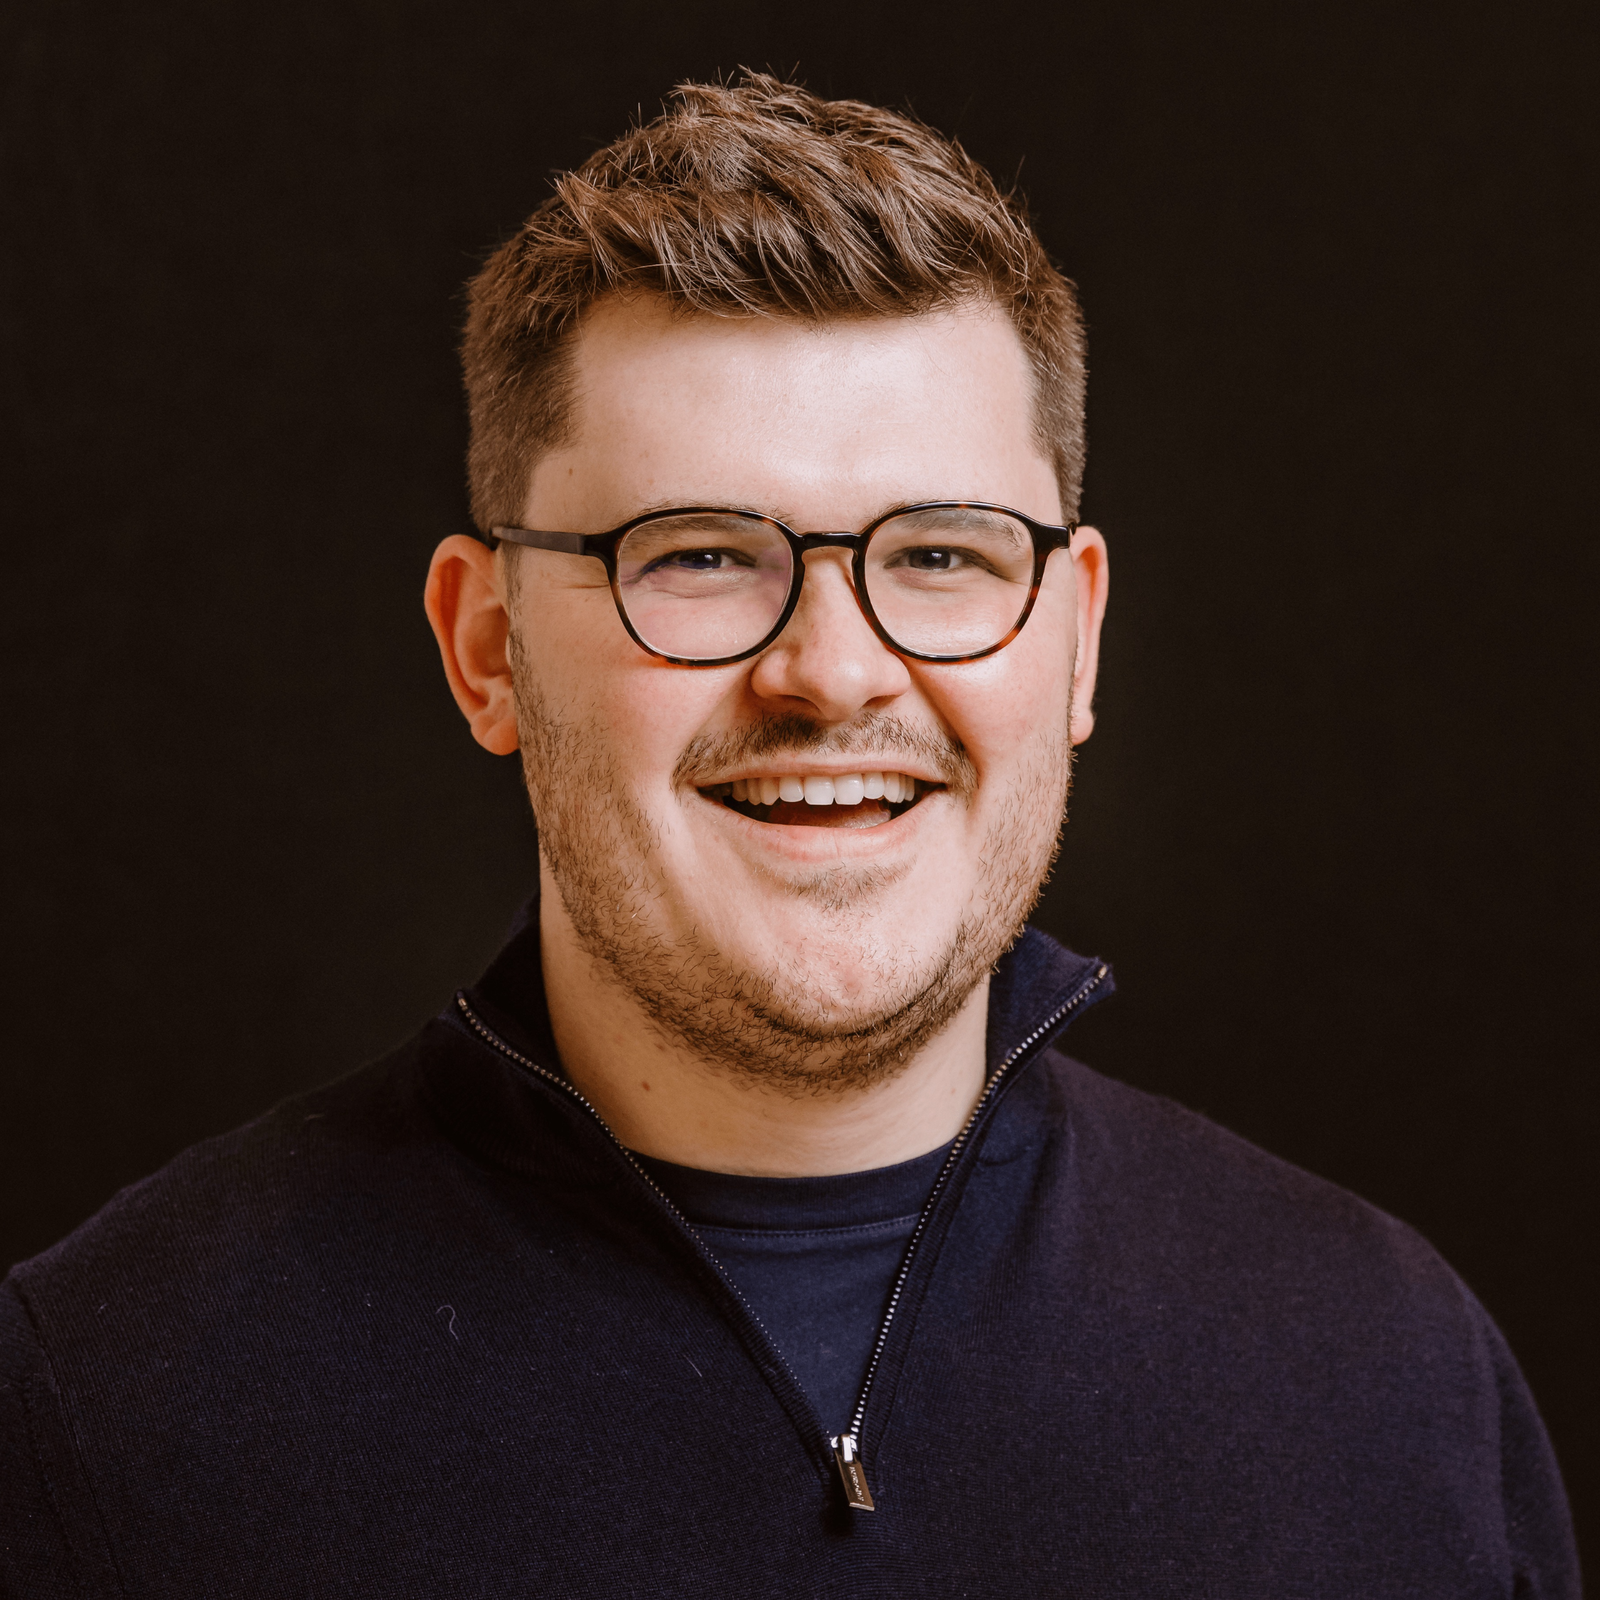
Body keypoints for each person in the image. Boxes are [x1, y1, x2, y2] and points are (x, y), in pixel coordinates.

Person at [0, 74, 1577, 1598]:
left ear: (1079, 639)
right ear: (486, 648)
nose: (831, 672)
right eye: (696, 555)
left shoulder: (1392, 1376)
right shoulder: (105, 1416)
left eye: (944, 555)